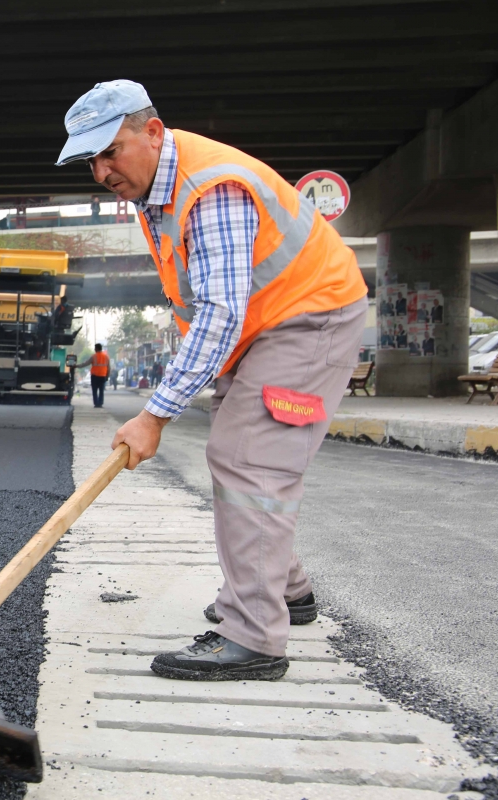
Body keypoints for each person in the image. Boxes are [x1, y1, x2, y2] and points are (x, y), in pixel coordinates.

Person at [57, 80, 367, 681]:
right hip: (267, 328)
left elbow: (220, 309)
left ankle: (254, 637)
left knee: (250, 459)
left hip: (311, 322)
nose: (100, 171)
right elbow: (209, 304)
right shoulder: (160, 187)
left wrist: (155, 414)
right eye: (89, 160)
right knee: (247, 458)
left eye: (110, 152)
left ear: (151, 132)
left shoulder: (211, 187)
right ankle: (287, 591)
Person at [76, 343, 111, 407]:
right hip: (103, 376)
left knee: (94, 391)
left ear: (97, 348)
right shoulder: (106, 357)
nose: (94, 349)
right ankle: (100, 403)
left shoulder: (94, 356)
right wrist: (107, 376)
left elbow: (85, 363)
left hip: (95, 377)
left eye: (95, 348)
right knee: (101, 391)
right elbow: (108, 368)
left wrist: (76, 366)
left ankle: (96, 403)